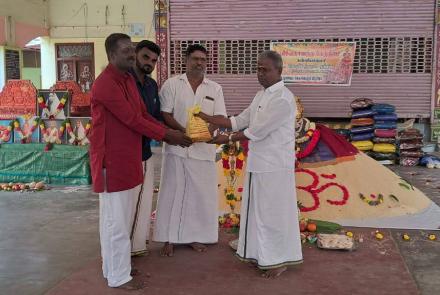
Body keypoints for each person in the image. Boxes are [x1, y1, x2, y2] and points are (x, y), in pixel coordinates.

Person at [89, 33, 191, 290]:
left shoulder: (127, 80)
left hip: (129, 160)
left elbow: (142, 113)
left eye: (132, 50)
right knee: (116, 223)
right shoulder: (105, 84)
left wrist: (170, 132)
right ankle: (118, 277)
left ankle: (115, 267)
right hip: (111, 164)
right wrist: (168, 135)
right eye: (126, 51)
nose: (131, 55)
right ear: (111, 54)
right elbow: (132, 120)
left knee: (121, 220)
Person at [197, 50, 303, 278]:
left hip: (274, 167)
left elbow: (257, 130)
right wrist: (208, 119)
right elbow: (240, 120)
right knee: (257, 214)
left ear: (279, 71)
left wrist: (226, 138)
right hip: (258, 165)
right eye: (258, 69)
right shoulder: (260, 95)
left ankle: (277, 261)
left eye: (266, 70)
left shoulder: (283, 99)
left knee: (272, 214)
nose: (261, 74)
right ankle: (261, 255)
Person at [153, 44, 227, 256]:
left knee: (199, 196)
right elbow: (166, 114)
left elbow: (219, 117)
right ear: (186, 60)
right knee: (171, 193)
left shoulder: (215, 88)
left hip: (202, 151)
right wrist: (184, 132)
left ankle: (195, 237)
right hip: (177, 147)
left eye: (203, 60)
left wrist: (202, 134)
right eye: (195, 59)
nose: (199, 63)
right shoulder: (172, 84)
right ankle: (169, 238)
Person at [128, 40, 163, 257]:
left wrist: (182, 131)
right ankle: (121, 252)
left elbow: (156, 117)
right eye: (146, 57)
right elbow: (137, 119)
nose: (149, 63)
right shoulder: (124, 83)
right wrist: (170, 134)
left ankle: (137, 247)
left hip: (146, 152)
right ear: (135, 55)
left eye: (154, 60)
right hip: (125, 154)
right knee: (126, 205)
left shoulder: (151, 86)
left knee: (143, 203)